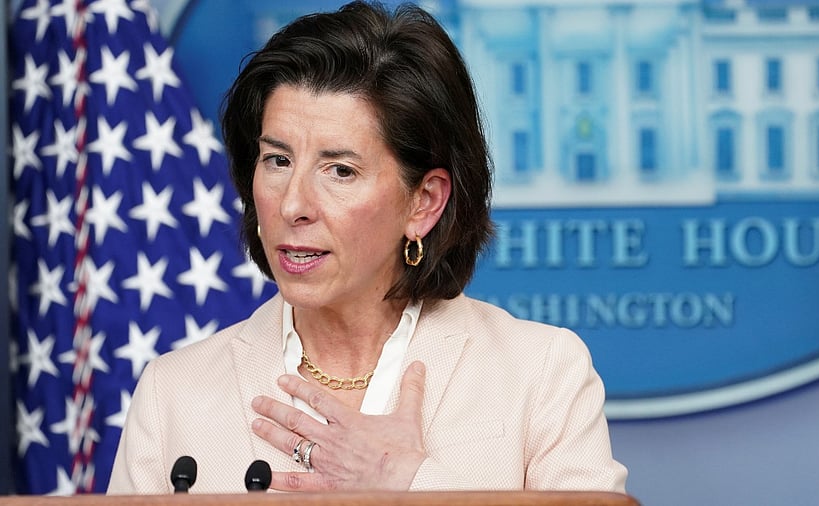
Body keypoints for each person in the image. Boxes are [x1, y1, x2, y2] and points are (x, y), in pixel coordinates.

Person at [108, 0, 627, 494]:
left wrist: (410, 482)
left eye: (340, 170)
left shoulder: (539, 374)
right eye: (277, 161)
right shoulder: (172, 393)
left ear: (423, 203)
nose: (293, 205)